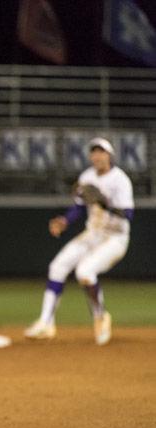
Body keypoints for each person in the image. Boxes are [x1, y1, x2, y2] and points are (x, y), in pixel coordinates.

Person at [24, 137, 134, 346]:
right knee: (57, 267)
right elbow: (80, 207)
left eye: (101, 151)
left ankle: (100, 316)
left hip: (115, 237)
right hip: (92, 234)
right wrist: (65, 220)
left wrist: (104, 202)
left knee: (84, 272)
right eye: (94, 152)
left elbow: (128, 215)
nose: (97, 156)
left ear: (109, 155)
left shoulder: (120, 180)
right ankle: (46, 323)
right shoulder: (87, 176)